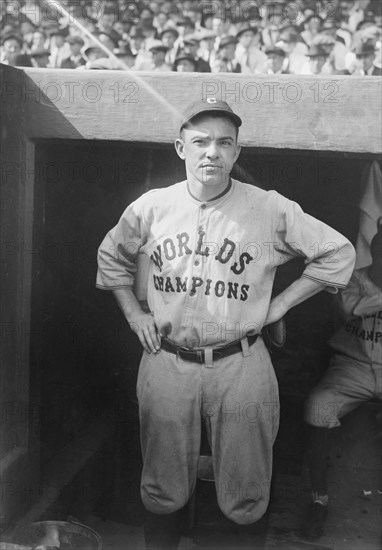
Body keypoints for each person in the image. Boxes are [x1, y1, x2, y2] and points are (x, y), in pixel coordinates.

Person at [96, 99, 355, 550]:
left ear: (236, 153)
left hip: (241, 360)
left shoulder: (270, 208)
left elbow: (338, 252)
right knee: (162, 484)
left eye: (224, 143)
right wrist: (134, 313)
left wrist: (281, 305)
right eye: (200, 142)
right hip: (167, 358)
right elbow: (110, 257)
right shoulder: (152, 207)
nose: (211, 152)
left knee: (247, 484)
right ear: (181, 148)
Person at [301, 222, 382, 539]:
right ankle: (319, 500)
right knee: (317, 408)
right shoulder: (354, 278)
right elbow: (350, 307)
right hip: (353, 366)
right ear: (374, 252)